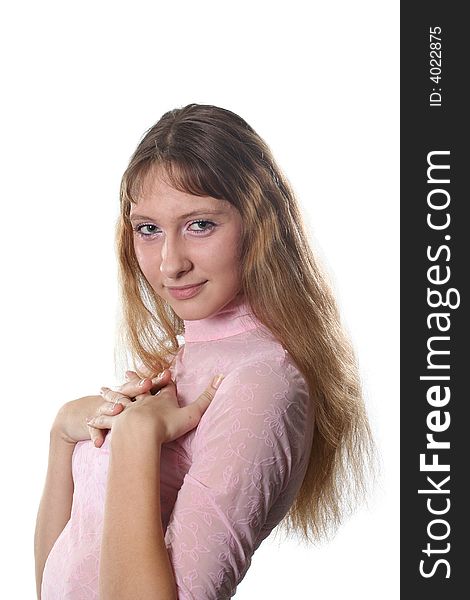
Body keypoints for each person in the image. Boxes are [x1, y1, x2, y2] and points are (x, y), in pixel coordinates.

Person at [34, 103, 373, 599]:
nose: (170, 264)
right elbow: (56, 580)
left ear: (259, 225)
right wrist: (64, 434)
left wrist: (134, 438)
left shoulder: (262, 382)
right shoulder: (185, 357)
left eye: (199, 225)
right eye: (148, 229)